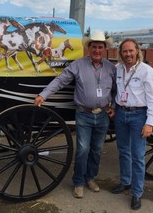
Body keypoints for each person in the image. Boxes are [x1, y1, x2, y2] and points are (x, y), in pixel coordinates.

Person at [34, 31, 116, 199]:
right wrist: (44, 94)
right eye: (94, 47)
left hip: (103, 115)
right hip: (84, 114)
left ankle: (90, 178)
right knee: (83, 150)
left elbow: (117, 89)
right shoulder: (78, 65)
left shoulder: (111, 68)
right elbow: (60, 80)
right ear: (89, 48)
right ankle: (78, 182)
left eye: (100, 47)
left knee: (97, 150)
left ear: (104, 49)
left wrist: (113, 105)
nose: (97, 50)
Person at [111, 38, 153, 210]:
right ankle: (125, 181)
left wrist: (149, 123)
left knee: (138, 156)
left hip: (139, 115)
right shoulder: (117, 69)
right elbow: (114, 91)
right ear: (121, 53)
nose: (128, 54)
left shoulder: (147, 71)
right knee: (123, 150)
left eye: (131, 51)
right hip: (121, 113)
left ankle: (137, 193)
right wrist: (113, 107)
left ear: (137, 51)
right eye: (124, 51)